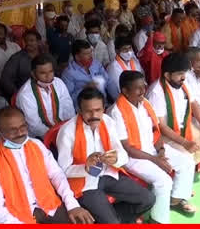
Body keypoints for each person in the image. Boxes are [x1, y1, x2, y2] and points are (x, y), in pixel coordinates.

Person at [0, 107, 95, 224]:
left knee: (82, 220)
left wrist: (72, 205)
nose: (20, 133)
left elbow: (56, 174)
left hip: (50, 206)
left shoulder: (37, 145)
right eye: (12, 130)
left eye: (23, 127)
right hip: (17, 218)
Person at [56, 88, 155, 224]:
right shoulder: (67, 131)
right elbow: (62, 170)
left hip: (108, 173)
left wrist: (116, 159)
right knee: (112, 222)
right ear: (79, 110)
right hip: (85, 183)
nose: (94, 115)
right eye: (88, 111)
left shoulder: (108, 122)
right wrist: (85, 167)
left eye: (98, 110)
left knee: (148, 199)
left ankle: (115, 221)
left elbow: (122, 155)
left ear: (104, 108)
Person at [110, 70, 197, 221]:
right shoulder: (116, 111)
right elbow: (127, 148)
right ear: (125, 91)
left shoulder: (145, 104)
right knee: (164, 181)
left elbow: (155, 131)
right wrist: (156, 160)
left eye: (143, 86)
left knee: (187, 161)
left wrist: (161, 151)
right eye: (137, 88)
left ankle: (176, 200)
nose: (143, 90)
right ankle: (158, 220)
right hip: (133, 157)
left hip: (152, 149)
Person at [147, 53, 200, 175]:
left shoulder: (182, 84)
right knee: (186, 157)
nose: (183, 77)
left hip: (184, 126)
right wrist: (185, 143)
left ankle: (189, 169)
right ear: (167, 75)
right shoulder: (156, 92)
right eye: (180, 74)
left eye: (184, 73)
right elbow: (162, 127)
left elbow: (194, 104)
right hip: (165, 134)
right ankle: (183, 173)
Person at [15, 55, 75, 138]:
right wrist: (56, 136)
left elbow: (68, 108)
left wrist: (70, 129)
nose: (48, 76)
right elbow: (35, 126)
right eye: (43, 73)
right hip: (41, 136)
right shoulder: (25, 95)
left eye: (50, 71)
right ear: (33, 74)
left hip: (63, 129)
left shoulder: (58, 83)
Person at [61, 40, 110, 108]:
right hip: (84, 109)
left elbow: (108, 80)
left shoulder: (96, 64)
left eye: (91, 52)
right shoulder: (68, 73)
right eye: (86, 53)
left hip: (103, 104)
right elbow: (68, 98)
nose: (91, 56)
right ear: (77, 57)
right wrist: (85, 88)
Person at [0, 29, 42, 100]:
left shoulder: (44, 55)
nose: (28, 43)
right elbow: (5, 79)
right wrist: (18, 94)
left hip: (43, 93)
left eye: (31, 41)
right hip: (24, 96)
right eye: (26, 41)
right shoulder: (16, 58)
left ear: (38, 42)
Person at [106, 35, 143, 102]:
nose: (129, 52)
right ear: (117, 51)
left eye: (130, 48)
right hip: (124, 99)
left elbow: (142, 80)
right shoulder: (113, 68)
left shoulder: (135, 61)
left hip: (138, 96)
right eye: (125, 49)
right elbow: (116, 92)